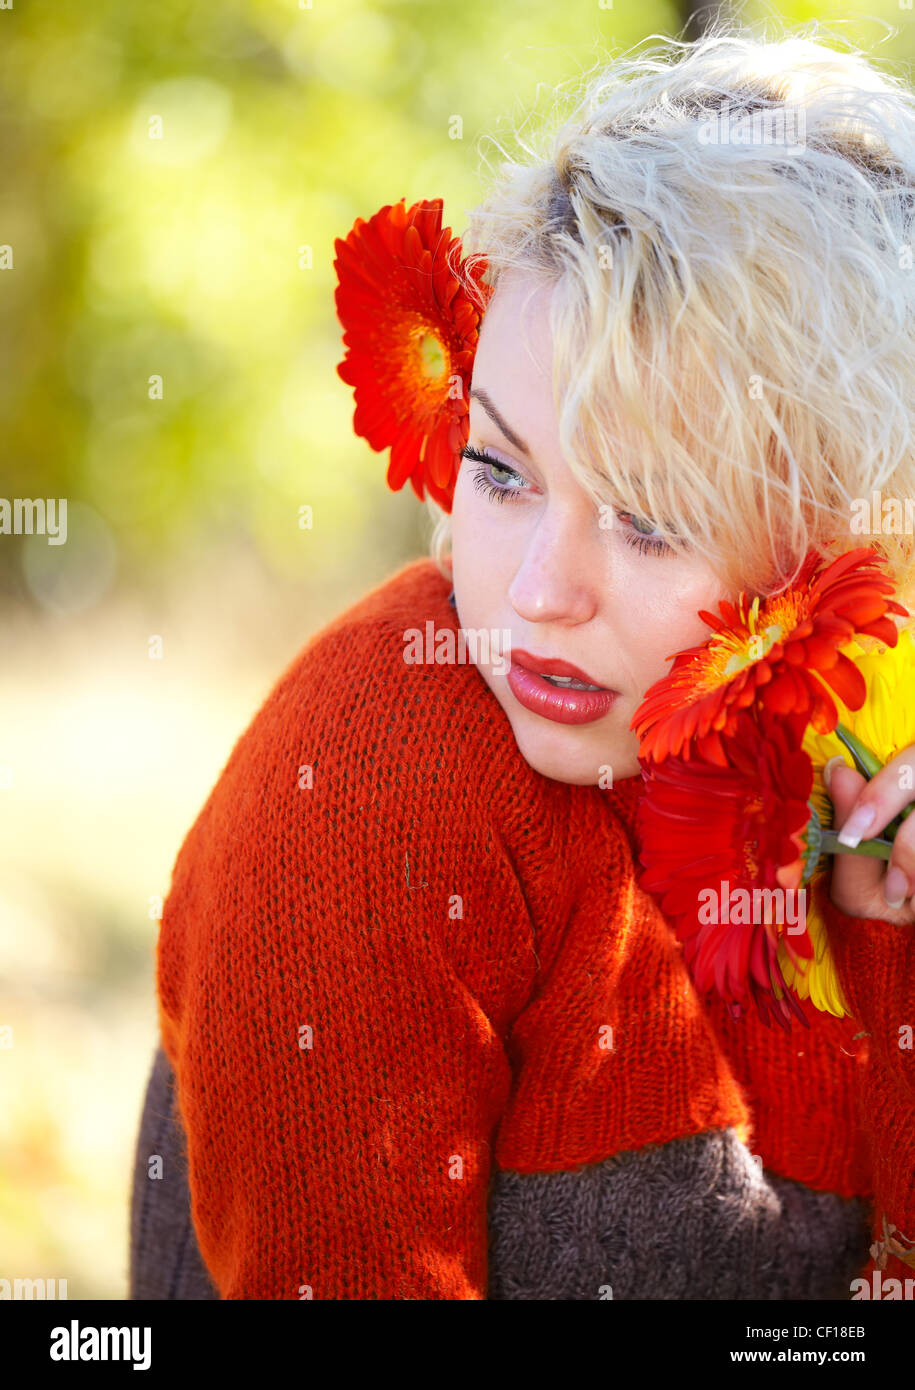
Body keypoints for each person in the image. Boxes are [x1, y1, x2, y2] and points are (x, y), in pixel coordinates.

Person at [129, 25, 915, 1299]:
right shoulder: (372, 783)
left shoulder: (850, 759)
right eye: (500, 469)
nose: (539, 594)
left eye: (651, 517)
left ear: (829, 532)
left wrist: (888, 944)